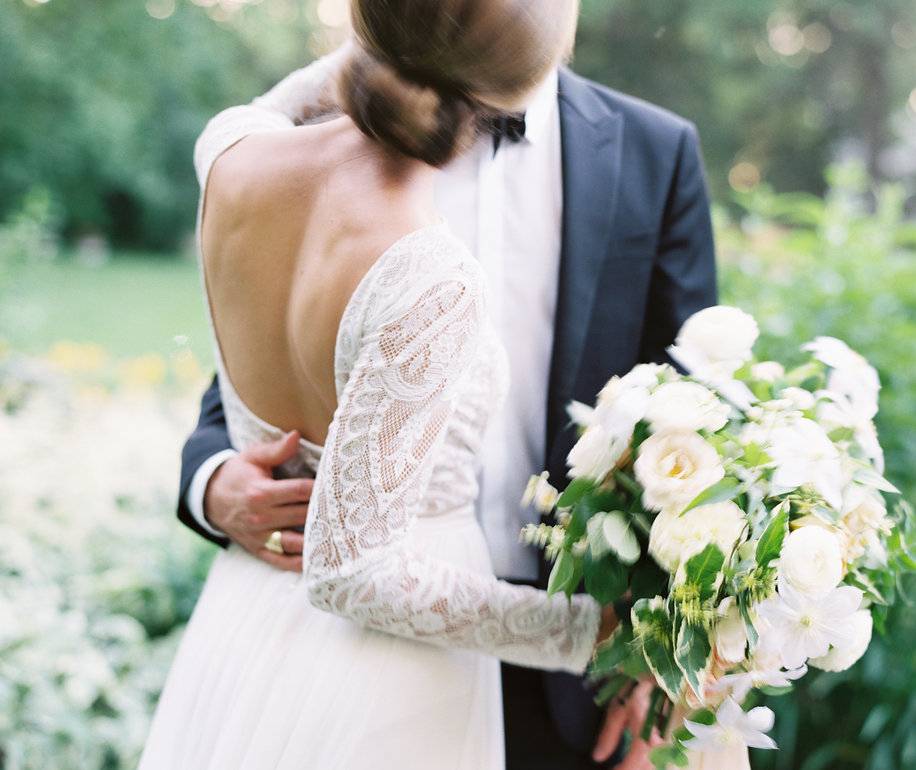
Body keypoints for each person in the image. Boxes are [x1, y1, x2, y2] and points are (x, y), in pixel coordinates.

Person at [175, 8, 719, 770]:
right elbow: (355, 570)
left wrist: (664, 639)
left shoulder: (235, 146)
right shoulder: (431, 274)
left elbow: (690, 404)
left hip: (283, 639)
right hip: (387, 658)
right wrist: (595, 634)